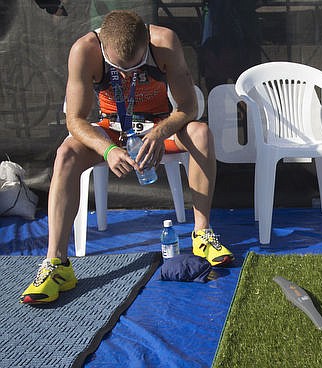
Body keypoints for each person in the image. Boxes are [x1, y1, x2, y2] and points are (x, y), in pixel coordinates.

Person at [21, 10, 234, 304]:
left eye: (134, 68)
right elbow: (75, 120)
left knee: (201, 133)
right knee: (66, 152)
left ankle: (202, 234)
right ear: (103, 49)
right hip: (112, 128)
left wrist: (160, 133)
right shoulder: (84, 49)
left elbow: (188, 106)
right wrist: (107, 149)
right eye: (118, 69)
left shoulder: (165, 41)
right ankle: (57, 264)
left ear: (147, 43)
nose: (125, 76)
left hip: (158, 123)